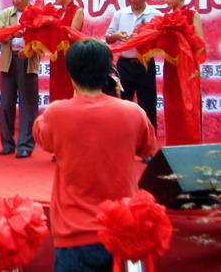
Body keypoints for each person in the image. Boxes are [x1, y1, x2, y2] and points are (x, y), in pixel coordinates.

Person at [33, 39, 156, 272]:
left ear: (71, 74)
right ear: (109, 72)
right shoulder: (133, 112)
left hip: (74, 234)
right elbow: (147, 148)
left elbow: (43, 139)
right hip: (123, 232)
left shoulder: (56, 113)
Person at [105, 0, 162, 131]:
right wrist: (117, 35)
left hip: (145, 65)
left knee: (148, 106)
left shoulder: (156, 15)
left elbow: (162, 41)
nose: (132, 0)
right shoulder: (120, 14)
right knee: (122, 105)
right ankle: (123, 140)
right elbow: (108, 38)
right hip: (124, 65)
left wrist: (146, 38)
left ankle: (149, 142)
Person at [0, 0, 40, 158]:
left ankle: (25, 145)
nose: (16, 1)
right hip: (9, 60)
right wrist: (12, 33)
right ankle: (7, 144)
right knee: (6, 103)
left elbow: (42, 39)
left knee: (28, 105)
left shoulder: (37, 14)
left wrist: (29, 50)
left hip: (27, 61)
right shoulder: (6, 14)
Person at [162, 0, 204, 145]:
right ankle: (174, 143)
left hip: (188, 67)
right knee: (172, 104)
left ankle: (191, 143)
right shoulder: (166, 17)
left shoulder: (192, 15)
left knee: (189, 105)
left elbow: (199, 43)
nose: (166, 0)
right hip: (171, 66)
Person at [49, 0, 84, 102]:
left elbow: (72, 35)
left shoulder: (77, 11)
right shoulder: (57, 12)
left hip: (70, 57)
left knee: (68, 89)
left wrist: (56, 32)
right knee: (56, 90)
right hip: (56, 57)